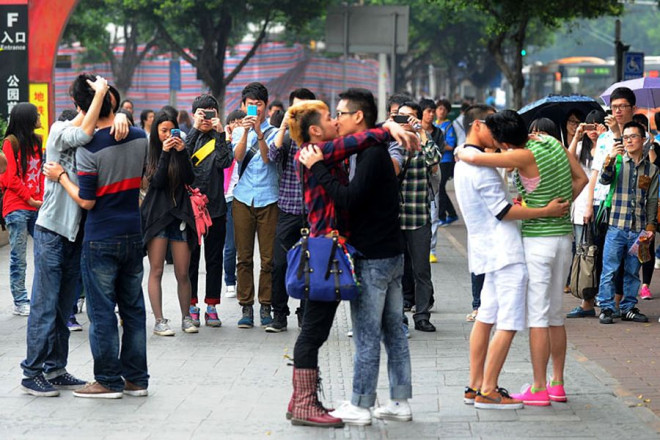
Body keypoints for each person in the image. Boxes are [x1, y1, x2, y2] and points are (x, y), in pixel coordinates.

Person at [288, 96, 417, 427]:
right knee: (314, 331)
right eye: (331, 116)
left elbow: (355, 142)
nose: (336, 121)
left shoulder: (332, 153)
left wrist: (387, 129)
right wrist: (386, 128)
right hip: (325, 255)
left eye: (339, 114)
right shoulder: (312, 154)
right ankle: (304, 403)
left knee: (335, 330)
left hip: (340, 252)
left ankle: (307, 402)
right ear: (316, 130)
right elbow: (360, 139)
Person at [457, 110, 587, 407]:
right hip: (562, 238)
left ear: (505, 142)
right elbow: (580, 177)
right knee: (555, 315)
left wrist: (460, 150)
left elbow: (477, 159)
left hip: (533, 242)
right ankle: (557, 383)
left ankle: (530, 387)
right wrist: (561, 207)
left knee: (530, 317)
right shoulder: (553, 143)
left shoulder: (517, 157)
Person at [48, 82, 149, 399]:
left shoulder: (87, 149)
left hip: (101, 236)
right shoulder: (140, 137)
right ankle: (136, 379)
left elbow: (87, 201)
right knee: (132, 310)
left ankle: (107, 380)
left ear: (81, 108)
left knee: (103, 312)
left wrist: (62, 177)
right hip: (134, 232)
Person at [19, 74, 117, 397]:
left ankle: (56, 368)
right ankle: (32, 371)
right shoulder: (60, 131)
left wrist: (121, 113)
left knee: (64, 307)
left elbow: (107, 128)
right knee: (44, 305)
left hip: (77, 234)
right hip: (51, 231)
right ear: (80, 104)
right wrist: (100, 93)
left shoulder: (94, 135)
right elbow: (86, 129)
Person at [141, 111, 198, 336]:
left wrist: (182, 152)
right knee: (156, 270)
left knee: (183, 272)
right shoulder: (151, 152)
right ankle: (159, 320)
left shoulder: (181, 150)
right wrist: (165, 154)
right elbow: (156, 182)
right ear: (156, 132)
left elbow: (190, 178)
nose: (167, 135)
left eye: (171, 131)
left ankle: (186, 317)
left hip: (180, 216)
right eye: (163, 131)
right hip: (158, 217)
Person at [596, 121, 658, 324]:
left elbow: (652, 201)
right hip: (616, 227)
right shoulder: (618, 162)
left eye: (633, 136)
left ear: (644, 140)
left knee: (632, 271)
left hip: (638, 229)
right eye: (626, 137)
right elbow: (604, 180)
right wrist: (610, 158)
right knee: (610, 270)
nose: (629, 140)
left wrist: (650, 227)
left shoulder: (652, 169)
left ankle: (628, 307)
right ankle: (606, 307)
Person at [266, 87, 316, 333]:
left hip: (314, 212)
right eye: (297, 108)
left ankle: (305, 313)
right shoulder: (285, 136)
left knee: (311, 266)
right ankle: (279, 314)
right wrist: (284, 126)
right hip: (287, 209)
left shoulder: (321, 135)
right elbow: (273, 156)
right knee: (279, 265)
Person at [231, 82, 279, 329]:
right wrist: (248, 132)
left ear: (266, 106)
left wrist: (259, 131)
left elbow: (267, 157)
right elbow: (238, 158)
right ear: (243, 106)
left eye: (258, 104)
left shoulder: (275, 132)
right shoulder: (239, 132)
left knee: (269, 258)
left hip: (269, 198)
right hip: (243, 199)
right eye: (250, 104)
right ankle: (246, 306)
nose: (254, 108)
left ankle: (266, 305)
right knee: (244, 256)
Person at [185, 94, 233, 327]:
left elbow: (225, 162)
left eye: (210, 112)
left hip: (216, 208)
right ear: (194, 114)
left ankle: (212, 306)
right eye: (202, 113)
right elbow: (181, 161)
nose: (206, 118)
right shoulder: (187, 137)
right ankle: (191, 305)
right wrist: (194, 130)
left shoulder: (220, 138)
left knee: (214, 260)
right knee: (190, 260)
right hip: (191, 210)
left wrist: (221, 133)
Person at [393, 101, 440, 332]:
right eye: (400, 116)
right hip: (393, 217)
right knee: (396, 270)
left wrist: (421, 131)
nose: (405, 121)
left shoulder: (423, 143)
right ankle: (398, 314)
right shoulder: (390, 143)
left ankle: (422, 315)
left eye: (409, 117)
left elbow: (434, 160)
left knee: (422, 270)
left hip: (419, 216)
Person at [3, 102, 45, 316]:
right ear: (28, 119)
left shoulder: (38, 141)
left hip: (37, 205)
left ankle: (41, 297)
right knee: (19, 257)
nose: (40, 118)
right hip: (17, 206)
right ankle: (20, 301)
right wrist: (30, 200)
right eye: (36, 115)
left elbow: (41, 174)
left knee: (45, 252)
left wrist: (42, 198)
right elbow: (11, 177)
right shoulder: (10, 143)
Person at [566, 110, 608, 317]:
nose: (593, 130)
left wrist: (603, 139)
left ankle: (602, 296)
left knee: (603, 253)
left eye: (597, 125)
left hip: (603, 207)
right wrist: (576, 136)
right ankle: (587, 298)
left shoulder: (608, 146)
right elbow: (568, 158)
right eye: (590, 125)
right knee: (585, 254)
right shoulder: (581, 147)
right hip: (582, 206)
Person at [222, 109, 245, 299]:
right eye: (234, 121)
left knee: (241, 245)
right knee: (229, 245)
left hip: (242, 197)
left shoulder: (248, 141)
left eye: (241, 121)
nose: (237, 124)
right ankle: (229, 280)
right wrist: (227, 139)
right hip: (227, 199)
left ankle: (239, 280)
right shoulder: (222, 143)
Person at [433, 98, 459, 227]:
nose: (441, 111)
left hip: (445, 160)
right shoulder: (435, 124)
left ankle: (443, 216)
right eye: (439, 108)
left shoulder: (448, 126)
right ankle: (452, 214)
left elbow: (451, 144)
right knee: (439, 189)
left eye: (444, 109)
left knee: (441, 188)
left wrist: (438, 145)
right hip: (436, 160)